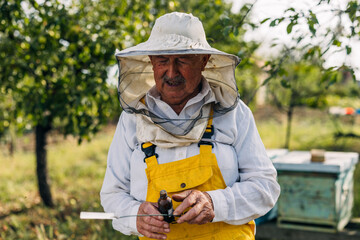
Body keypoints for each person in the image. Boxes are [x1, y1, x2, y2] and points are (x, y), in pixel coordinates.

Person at [100, 12, 280, 240]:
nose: (172, 72)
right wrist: (134, 214)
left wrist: (215, 203)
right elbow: (112, 194)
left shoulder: (234, 113)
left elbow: (265, 188)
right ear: (151, 61)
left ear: (203, 61)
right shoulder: (132, 120)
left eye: (183, 60)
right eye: (163, 60)